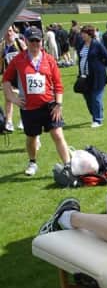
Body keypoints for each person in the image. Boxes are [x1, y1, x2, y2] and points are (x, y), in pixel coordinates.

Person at [2, 27, 70, 176]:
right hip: (29, 108)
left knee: (58, 135)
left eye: (37, 40)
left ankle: (68, 166)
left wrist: (58, 104)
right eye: (31, 40)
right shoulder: (18, 60)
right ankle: (32, 162)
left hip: (49, 105)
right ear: (25, 41)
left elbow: (58, 85)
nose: (35, 44)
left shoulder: (49, 60)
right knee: (31, 138)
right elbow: (6, 80)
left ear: (42, 41)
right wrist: (12, 97)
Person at [76, 25, 107, 128]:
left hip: (97, 77)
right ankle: (96, 114)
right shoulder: (81, 44)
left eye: (84, 33)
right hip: (84, 76)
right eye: (82, 33)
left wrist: (99, 68)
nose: (82, 35)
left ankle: (98, 120)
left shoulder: (97, 44)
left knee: (96, 97)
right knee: (88, 98)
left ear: (89, 34)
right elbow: (80, 58)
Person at [1, 25, 26, 133]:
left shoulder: (19, 43)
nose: (8, 33)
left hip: (21, 75)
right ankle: (9, 122)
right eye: (6, 31)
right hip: (9, 76)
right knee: (8, 98)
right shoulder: (2, 46)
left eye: (10, 31)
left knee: (23, 97)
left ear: (13, 31)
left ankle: (23, 120)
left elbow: (27, 54)